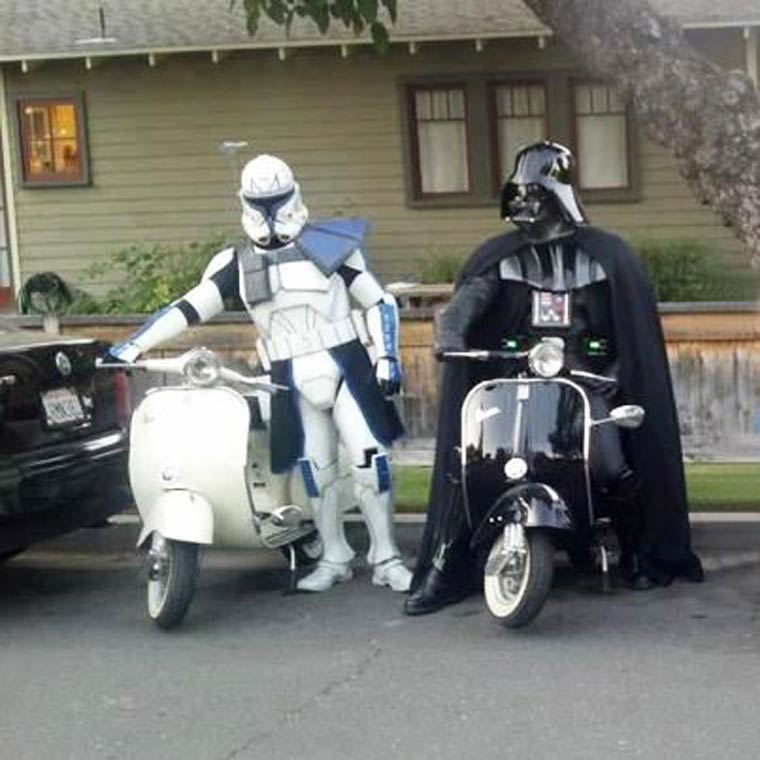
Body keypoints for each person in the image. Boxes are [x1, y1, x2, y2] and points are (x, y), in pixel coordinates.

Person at [405, 140, 703, 616]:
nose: (524, 207)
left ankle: (638, 548)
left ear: (557, 195)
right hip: (513, 378)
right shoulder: (499, 257)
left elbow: (631, 335)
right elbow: (469, 302)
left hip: (586, 378)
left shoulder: (607, 257)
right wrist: (451, 332)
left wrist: (614, 374)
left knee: (611, 461)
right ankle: (449, 563)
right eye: (519, 195)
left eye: (534, 196)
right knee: (471, 459)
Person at [110, 154, 412, 593]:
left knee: (370, 461)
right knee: (316, 470)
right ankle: (334, 555)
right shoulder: (235, 263)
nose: (270, 212)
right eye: (260, 202)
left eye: (276, 200)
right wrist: (136, 344)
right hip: (289, 372)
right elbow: (191, 306)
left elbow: (379, 301)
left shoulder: (332, 245)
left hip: (345, 362)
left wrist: (388, 357)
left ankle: (386, 557)